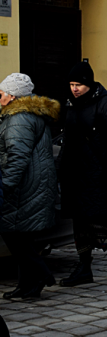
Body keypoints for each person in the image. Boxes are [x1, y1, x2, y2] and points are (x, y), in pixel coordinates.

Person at [59, 60, 107, 287]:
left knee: (99, 217)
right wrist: (61, 166)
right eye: (71, 85)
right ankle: (84, 267)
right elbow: (68, 139)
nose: (74, 89)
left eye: (78, 84)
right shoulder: (70, 104)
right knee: (79, 222)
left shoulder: (105, 104)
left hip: (97, 172)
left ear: (88, 83)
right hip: (74, 172)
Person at [0, 73, 59, 299]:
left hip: (23, 187)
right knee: (21, 237)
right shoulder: (26, 113)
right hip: (32, 183)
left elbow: (17, 157)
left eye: (1, 94)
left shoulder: (19, 118)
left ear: (12, 96)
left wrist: (5, 185)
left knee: (15, 237)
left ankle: (42, 276)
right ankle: (27, 285)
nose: (0, 98)